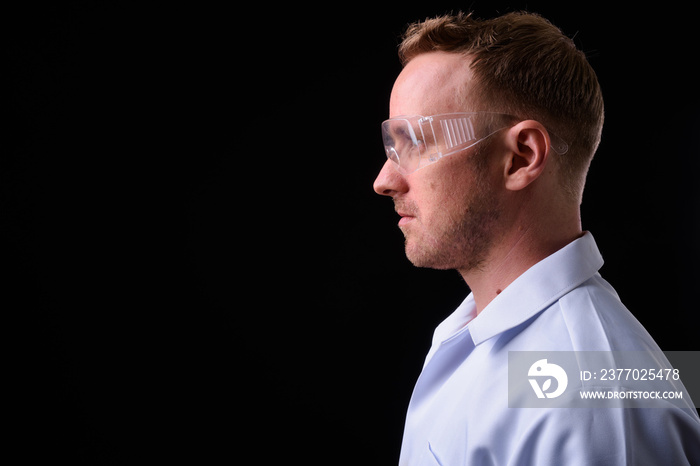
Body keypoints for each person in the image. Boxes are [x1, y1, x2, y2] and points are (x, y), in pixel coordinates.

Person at [373, 11, 700, 465]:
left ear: (521, 156)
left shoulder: (590, 398)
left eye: (417, 142)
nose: (384, 179)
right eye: (392, 145)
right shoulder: (479, 335)